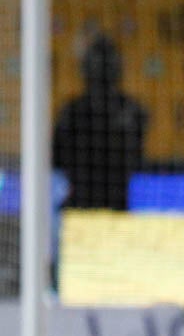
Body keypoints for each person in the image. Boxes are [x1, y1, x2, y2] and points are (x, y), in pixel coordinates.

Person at [53, 35, 146, 210]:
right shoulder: (132, 110)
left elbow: (56, 158)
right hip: (100, 206)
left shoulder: (72, 111)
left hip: (91, 205)